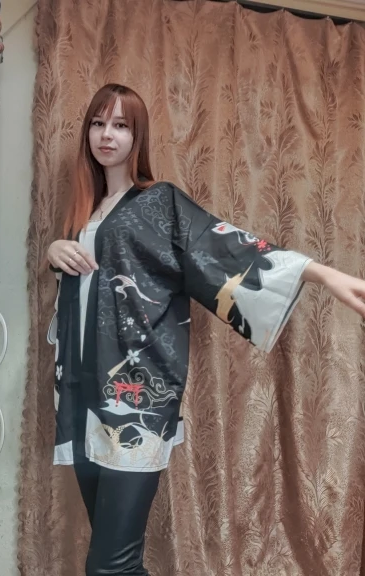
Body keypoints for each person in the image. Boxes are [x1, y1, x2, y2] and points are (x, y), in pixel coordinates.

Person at [47, 83, 365, 576]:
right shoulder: (86, 211)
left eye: (121, 125)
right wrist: (55, 251)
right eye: (98, 123)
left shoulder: (159, 202)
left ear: (137, 136)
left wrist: (319, 273)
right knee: (117, 558)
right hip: (82, 396)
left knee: (110, 565)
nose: (107, 135)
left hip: (135, 399)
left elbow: (226, 249)